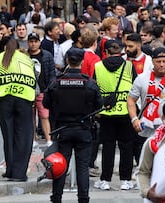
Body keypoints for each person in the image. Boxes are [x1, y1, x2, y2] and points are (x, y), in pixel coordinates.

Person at [43, 48, 102, 203]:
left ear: (67, 61)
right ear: (82, 62)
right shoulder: (89, 83)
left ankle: (57, 198)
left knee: (60, 165)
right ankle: (83, 199)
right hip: (84, 130)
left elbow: (46, 103)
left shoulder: (56, 82)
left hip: (62, 130)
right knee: (83, 167)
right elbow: (99, 105)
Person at [127, 47, 165, 166]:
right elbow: (131, 100)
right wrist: (134, 119)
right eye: (158, 61)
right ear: (152, 62)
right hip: (145, 128)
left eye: (164, 61)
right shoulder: (141, 79)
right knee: (146, 163)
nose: (161, 65)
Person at [93, 40, 138, 191]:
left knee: (108, 146)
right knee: (126, 147)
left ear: (105, 51)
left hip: (106, 111)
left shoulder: (98, 67)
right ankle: (125, 180)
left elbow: (94, 89)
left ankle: (105, 179)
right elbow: (136, 88)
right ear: (121, 51)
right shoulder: (129, 66)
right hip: (126, 110)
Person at [0, 39, 36, 182]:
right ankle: (19, 173)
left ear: (3, 47)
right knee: (24, 136)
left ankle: (10, 169)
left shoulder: (0, 57)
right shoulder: (26, 59)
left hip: (4, 99)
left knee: (8, 136)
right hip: (24, 98)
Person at [27, 32, 56, 147]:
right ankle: (33, 139)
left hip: (43, 90)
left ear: (39, 42)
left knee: (44, 115)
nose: (33, 44)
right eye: (31, 42)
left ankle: (48, 139)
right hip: (28, 90)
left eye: (35, 41)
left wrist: (50, 88)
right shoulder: (24, 55)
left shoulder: (47, 55)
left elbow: (52, 73)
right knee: (31, 116)